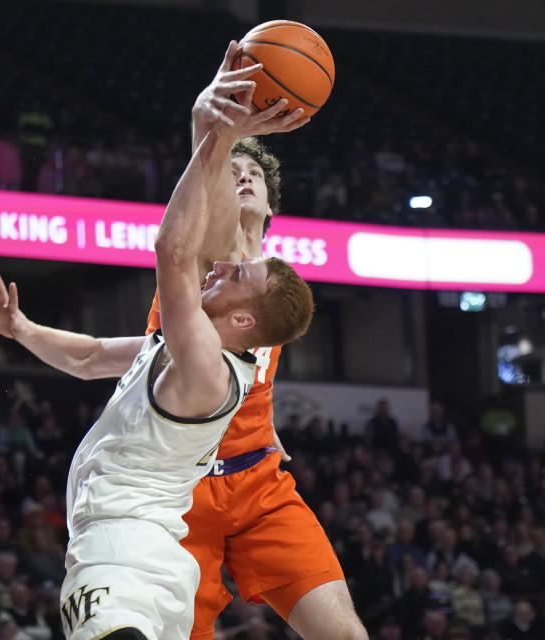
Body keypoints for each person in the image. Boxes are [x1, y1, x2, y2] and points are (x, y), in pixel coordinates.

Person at [0, 105, 315, 639]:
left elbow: (175, 251)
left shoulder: (202, 356)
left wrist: (215, 128)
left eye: (235, 273)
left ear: (243, 317)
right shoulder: (191, 347)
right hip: (158, 547)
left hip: (121, 542)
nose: (220, 267)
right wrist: (22, 330)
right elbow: (89, 356)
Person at [144, 42, 368, 640]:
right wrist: (210, 130)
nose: (242, 179)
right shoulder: (210, 267)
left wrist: (265, 423)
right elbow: (202, 223)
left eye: (253, 176)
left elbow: (253, 372)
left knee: (344, 633)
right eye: (232, 174)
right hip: (183, 492)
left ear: (271, 207)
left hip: (259, 484)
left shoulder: (276, 285)